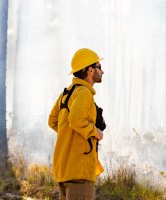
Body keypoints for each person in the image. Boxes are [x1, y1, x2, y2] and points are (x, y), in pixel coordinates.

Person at [48, 48, 105, 200]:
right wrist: (96, 133)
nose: (103, 71)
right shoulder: (85, 93)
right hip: (80, 171)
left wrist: (69, 136)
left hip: (64, 170)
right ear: (90, 70)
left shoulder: (66, 94)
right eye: (99, 67)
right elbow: (76, 120)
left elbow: (52, 121)